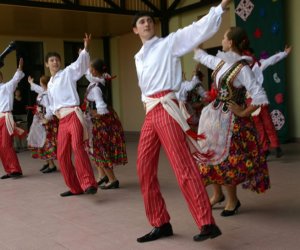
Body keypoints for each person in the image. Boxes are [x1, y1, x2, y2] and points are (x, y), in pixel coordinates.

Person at [132, 0, 232, 243]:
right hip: (150, 112)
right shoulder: (138, 56)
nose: (146, 23)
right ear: (135, 30)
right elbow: (144, 87)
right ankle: (160, 223)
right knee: (143, 169)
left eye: (149, 20)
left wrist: (219, 8)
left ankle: (206, 222)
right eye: (141, 22)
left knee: (183, 167)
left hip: (167, 108)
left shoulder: (168, 43)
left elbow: (195, 30)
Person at [194, 27, 270, 217]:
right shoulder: (222, 62)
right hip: (215, 116)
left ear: (231, 43)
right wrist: (202, 33)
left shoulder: (243, 68)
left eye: (224, 37)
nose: (222, 39)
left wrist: (244, 112)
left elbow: (259, 95)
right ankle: (217, 195)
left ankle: (232, 200)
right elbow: (199, 54)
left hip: (232, 121)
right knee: (210, 155)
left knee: (227, 160)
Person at [45, 33, 98, 197]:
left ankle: (88, 183)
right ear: (47, 64)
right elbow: (51, 104)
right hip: (62, 120)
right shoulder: (49, 83)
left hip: (73, 115)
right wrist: (47, 117)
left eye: (57, 59)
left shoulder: (67, 72)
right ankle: (75, 187)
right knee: (61, 155)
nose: (55, 62)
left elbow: (79, 66)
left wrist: (86, 48)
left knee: (77, 146)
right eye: (52, 60)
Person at [83, 59, 127, 189]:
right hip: (102, 121)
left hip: (101, 122)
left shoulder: (96, 88)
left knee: (100, 149)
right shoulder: (98, 80)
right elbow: (87, 74)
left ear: (95, 71)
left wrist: (93, 114)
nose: (89, 70)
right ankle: (102, 176)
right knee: (95, 149)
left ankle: (112, 179)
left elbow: (101, 108)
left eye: (90, 68)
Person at [248, 45, 292, 158]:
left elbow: (271, 60)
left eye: (250, 55)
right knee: (258, 125)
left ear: (252, 55)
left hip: (260, 98)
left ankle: (276, 146)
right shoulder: (241, 69)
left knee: (267, 122)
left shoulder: (259, 64)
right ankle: (265, 148)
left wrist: (284, 53)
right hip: (250, 100)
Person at [27, 75, 58, 173]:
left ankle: (51, 164)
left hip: (45, 121)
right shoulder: (44, 91)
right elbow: (38, 88)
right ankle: (47, 162)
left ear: (43, 83)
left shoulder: (46, 94)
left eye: (40, 81)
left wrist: (46, 119)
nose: (39, 83)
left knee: (45, 142)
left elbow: (49, 108)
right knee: (41, 141)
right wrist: (31, 83)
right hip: (41, 119)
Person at [0, 58, 24, 179]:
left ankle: (15, 169)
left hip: (5, 117)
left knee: (6, 144)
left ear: (1, 78)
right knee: (0, 147)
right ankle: (9, 170)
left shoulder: (6, 87)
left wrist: (19, 68)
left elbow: (15, 79)